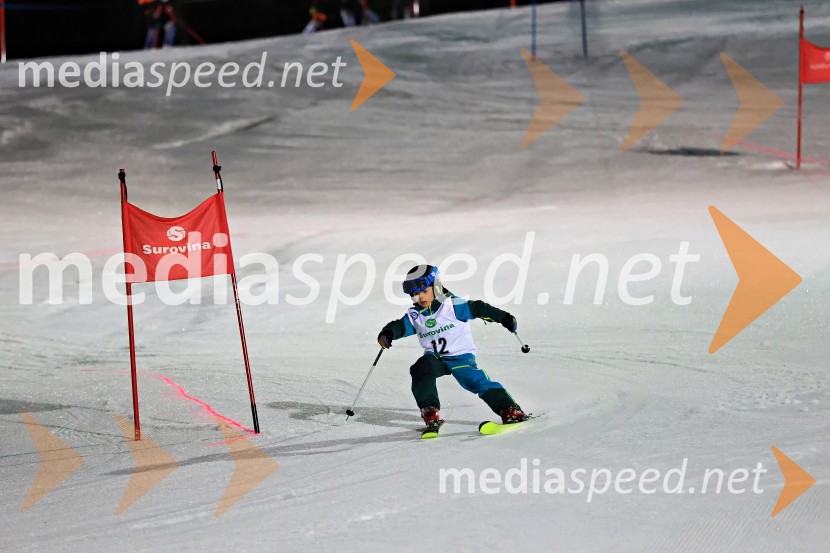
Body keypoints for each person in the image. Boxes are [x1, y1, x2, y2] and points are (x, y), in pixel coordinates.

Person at [377, 265, 529, 434]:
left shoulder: (452, 305)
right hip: (436, 358)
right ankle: (430, 411)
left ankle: (509, 409)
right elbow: (400, 326)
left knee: (474, 380)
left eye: (423, 291)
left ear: (436, 287)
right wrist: (388, 333)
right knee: (420, 369)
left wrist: (503, 318)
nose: (419, 297)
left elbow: (479, 308)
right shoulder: (416, 314)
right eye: (414, 294)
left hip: (461, 357)